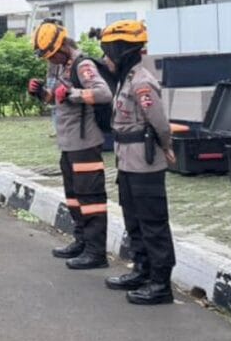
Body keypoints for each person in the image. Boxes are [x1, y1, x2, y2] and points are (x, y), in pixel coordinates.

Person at [101, 21, 177, 306]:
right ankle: (142, 270)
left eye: (109, 51)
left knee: (153, 223)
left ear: (122, 51)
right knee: (134, 221)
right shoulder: (126, 78)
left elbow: (159, 122)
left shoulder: (141, 81)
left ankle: (160, 283)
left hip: (145, 163)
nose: (106, 58)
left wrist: (167, 147)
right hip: (127, 162)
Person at [29, 21, 113, 270]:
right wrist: (41, 93)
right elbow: (55, 99)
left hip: (85, 142)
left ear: (63, 46)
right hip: (67, 142)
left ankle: (96, 252)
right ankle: (81, 241)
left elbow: (103, 93)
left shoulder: (83, 65)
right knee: (74, 197)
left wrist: (74, 94)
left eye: (51, 54)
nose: (49, 59)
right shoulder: (56, 67)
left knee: (91, 197)